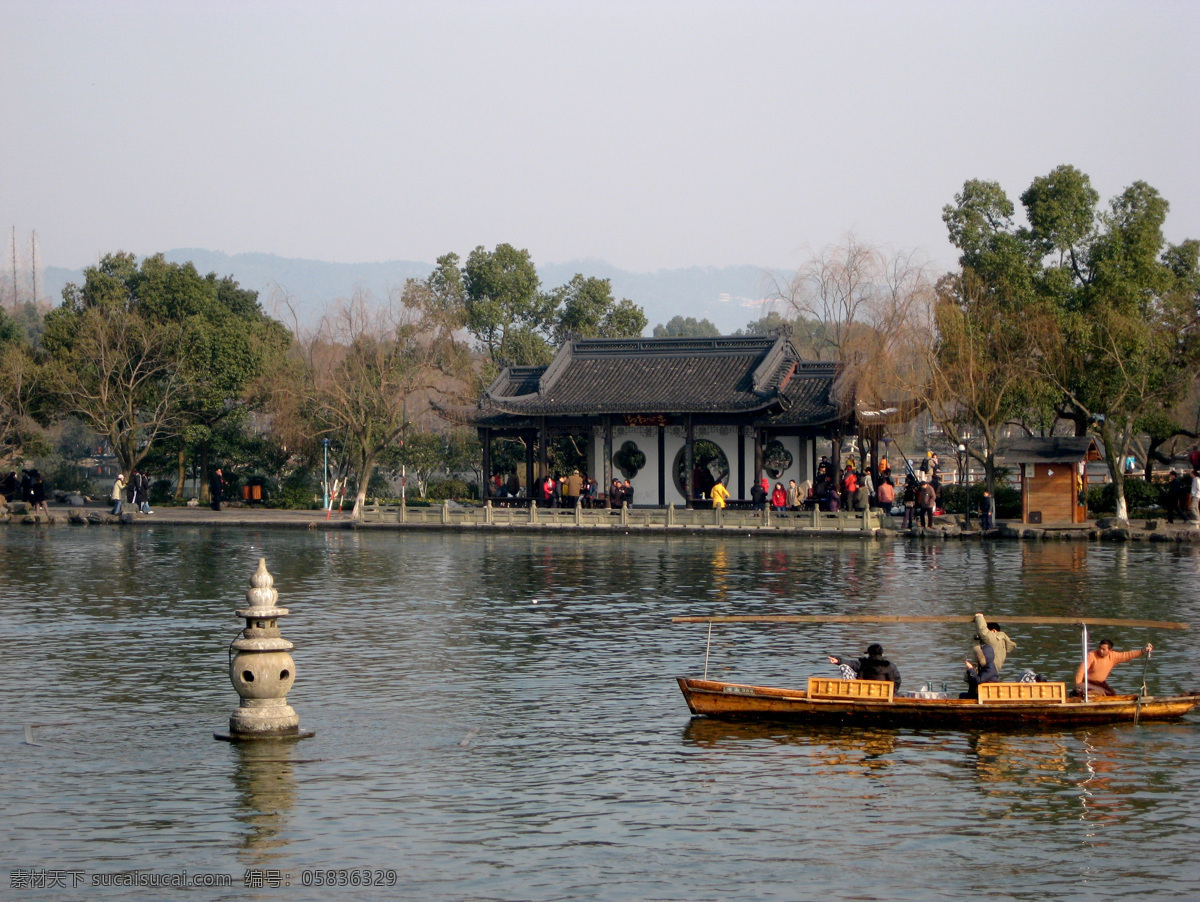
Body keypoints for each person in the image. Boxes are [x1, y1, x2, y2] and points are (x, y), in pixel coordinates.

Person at [1073, 639, 1153, 697]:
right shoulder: (1091, 655)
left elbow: (1127, 655)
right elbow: (1081, 671)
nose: (1101, 651)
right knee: (1083, 689)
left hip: (1100, 683)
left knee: (1112, 694)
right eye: (1100, 648)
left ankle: (1094, 694)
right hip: (1087, 682)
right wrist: (1078, 685)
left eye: (1103, 649)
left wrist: (1143, 651)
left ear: (1110, 650)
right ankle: (1085, 693)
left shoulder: (1113, 656)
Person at [828, 643, 901, 689]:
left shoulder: (863, 664)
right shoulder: (890, 666)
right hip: (886, 695)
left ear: (869, 654)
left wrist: (838, 660)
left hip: (865, 694)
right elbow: (896, 681)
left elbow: (851, 664)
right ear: (882, 654)